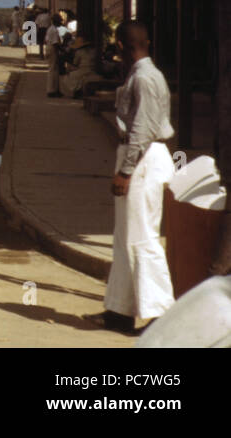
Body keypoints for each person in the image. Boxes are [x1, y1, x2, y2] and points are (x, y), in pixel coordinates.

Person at [86, 21, 176, 335]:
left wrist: (126, 172)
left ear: (122, 46)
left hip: (143, 160)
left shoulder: (146, 78)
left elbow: (142, 129)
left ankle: (162, 314)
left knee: (142, 239)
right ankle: (119, 312)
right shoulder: (141, 75)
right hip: (139, 157)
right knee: (125, 240)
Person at [45, 11, 67, 97]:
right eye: (60, 21)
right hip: (52, 50)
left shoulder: (52, 29)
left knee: (55, 71)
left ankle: (56, 89)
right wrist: (62, 50)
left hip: (51, 49)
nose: (61, 22)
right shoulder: (53, 30)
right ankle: (51, 90)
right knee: (52, 71)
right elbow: (55, 43)